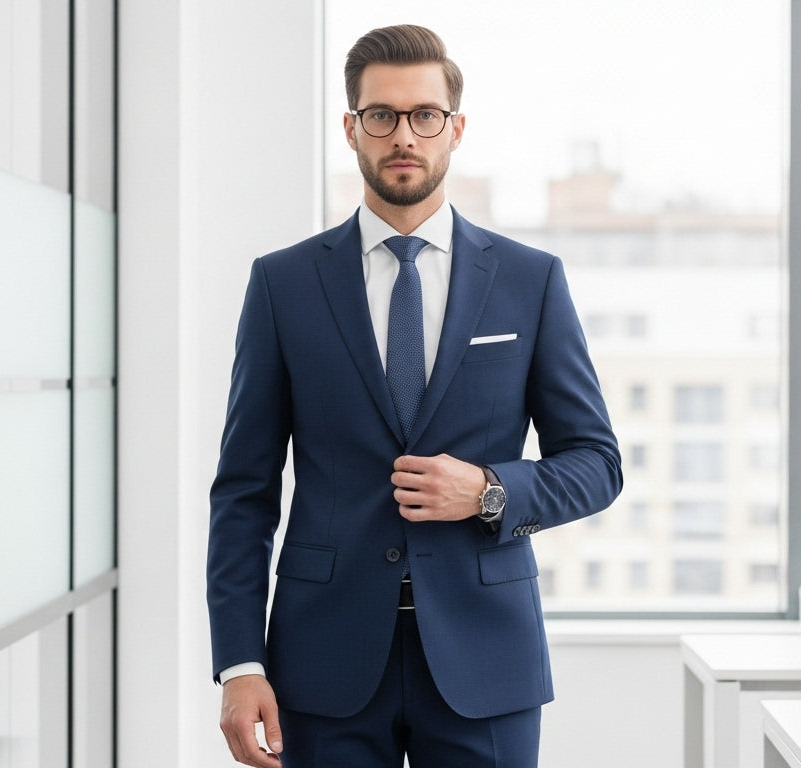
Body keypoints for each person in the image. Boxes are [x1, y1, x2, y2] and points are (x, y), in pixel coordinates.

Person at [207, 24, 622, 768]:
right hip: (322, 660)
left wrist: (490, 490)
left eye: (424, 115)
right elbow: (243, 490)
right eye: (382, 116)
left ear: (455, 129)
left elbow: (596, 463)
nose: (405, 136)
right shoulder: (284, 285)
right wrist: (240, 665)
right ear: (352, 128)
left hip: (485, 657)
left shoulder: (531, 281)